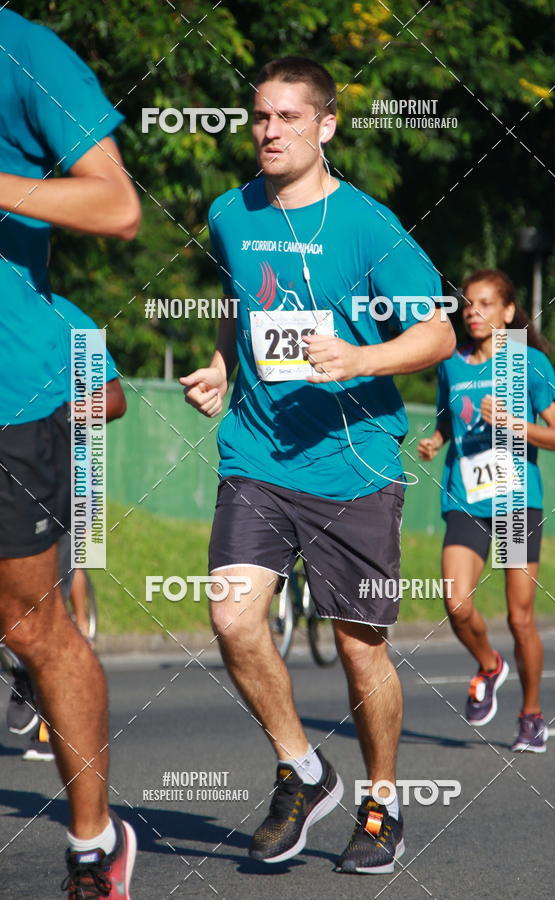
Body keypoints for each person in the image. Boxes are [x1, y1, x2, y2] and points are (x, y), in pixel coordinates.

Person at [181, 56, 455, 874]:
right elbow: (242, 300)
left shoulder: (369, 228)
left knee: (360, 644)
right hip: (258, 454)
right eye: (260, 117)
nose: (269, 132)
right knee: (233, 618)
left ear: (326, 126)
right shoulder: (231, 211)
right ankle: (303, 769)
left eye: (288, 118)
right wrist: (225, 366)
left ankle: (382, 802)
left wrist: (363, 360)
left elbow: (437, 334)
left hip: (353, 466)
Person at [0, 10, 139, 897]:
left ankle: (95, 842)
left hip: (10, 393)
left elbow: (118, 205)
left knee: (29, 624)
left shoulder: (26, 52)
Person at [418, 268, 555, 753]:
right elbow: (448, 415)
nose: (472, 312)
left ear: (508, 313)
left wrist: (514, 425)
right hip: (465, 495)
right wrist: (436, 439)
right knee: (456, 601)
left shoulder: (527, 363)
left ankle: (531, 713)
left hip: (514, 500)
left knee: (520, 618)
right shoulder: (452, 363)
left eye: (485, 304)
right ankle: (489, 665)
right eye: (467, 304)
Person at [6, 293, 126, 762]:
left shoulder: (67, 319)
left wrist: (56, 418)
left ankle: (40, 692)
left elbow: (114, 398)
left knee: (58, 583)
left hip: (70, 476)